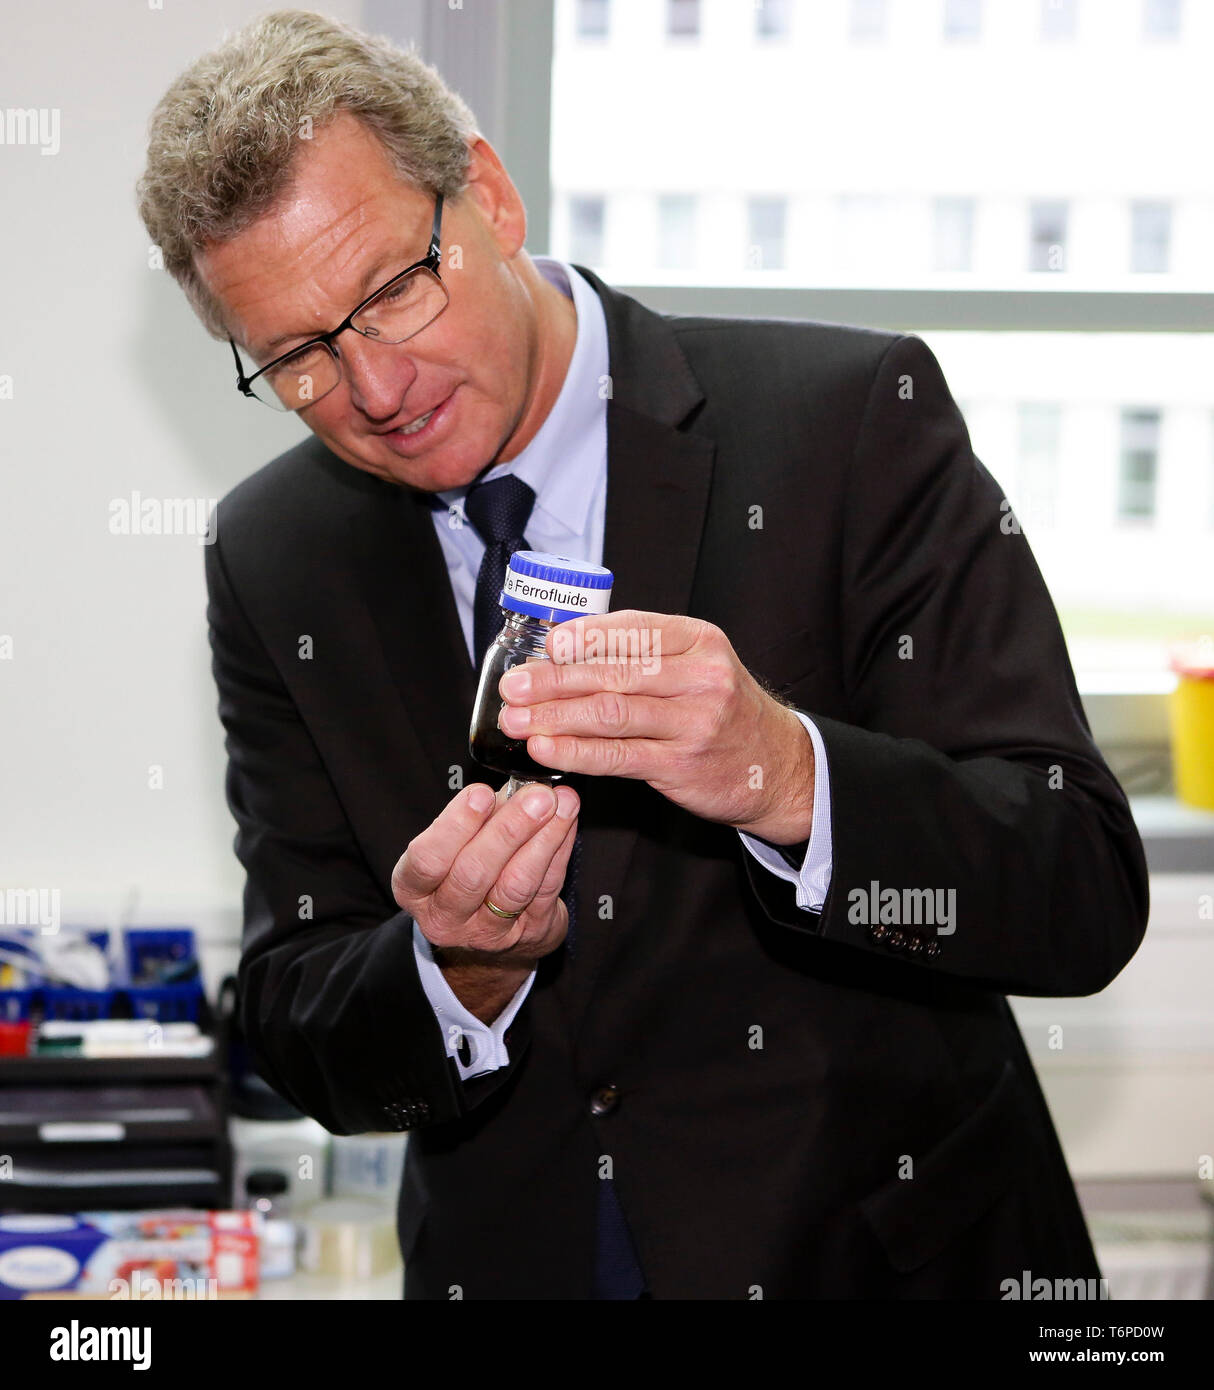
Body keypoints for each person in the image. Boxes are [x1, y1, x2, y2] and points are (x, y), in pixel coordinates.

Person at [137, 11, 1149, 1299]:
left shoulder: (847, 423)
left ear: (490, 197)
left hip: (880, 1259)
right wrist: (458, 971)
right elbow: (295, 1014)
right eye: (297, 356)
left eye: (393, 292)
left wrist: (792, 777)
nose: (376, 388)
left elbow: (1080, 886)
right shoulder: (274, 554)